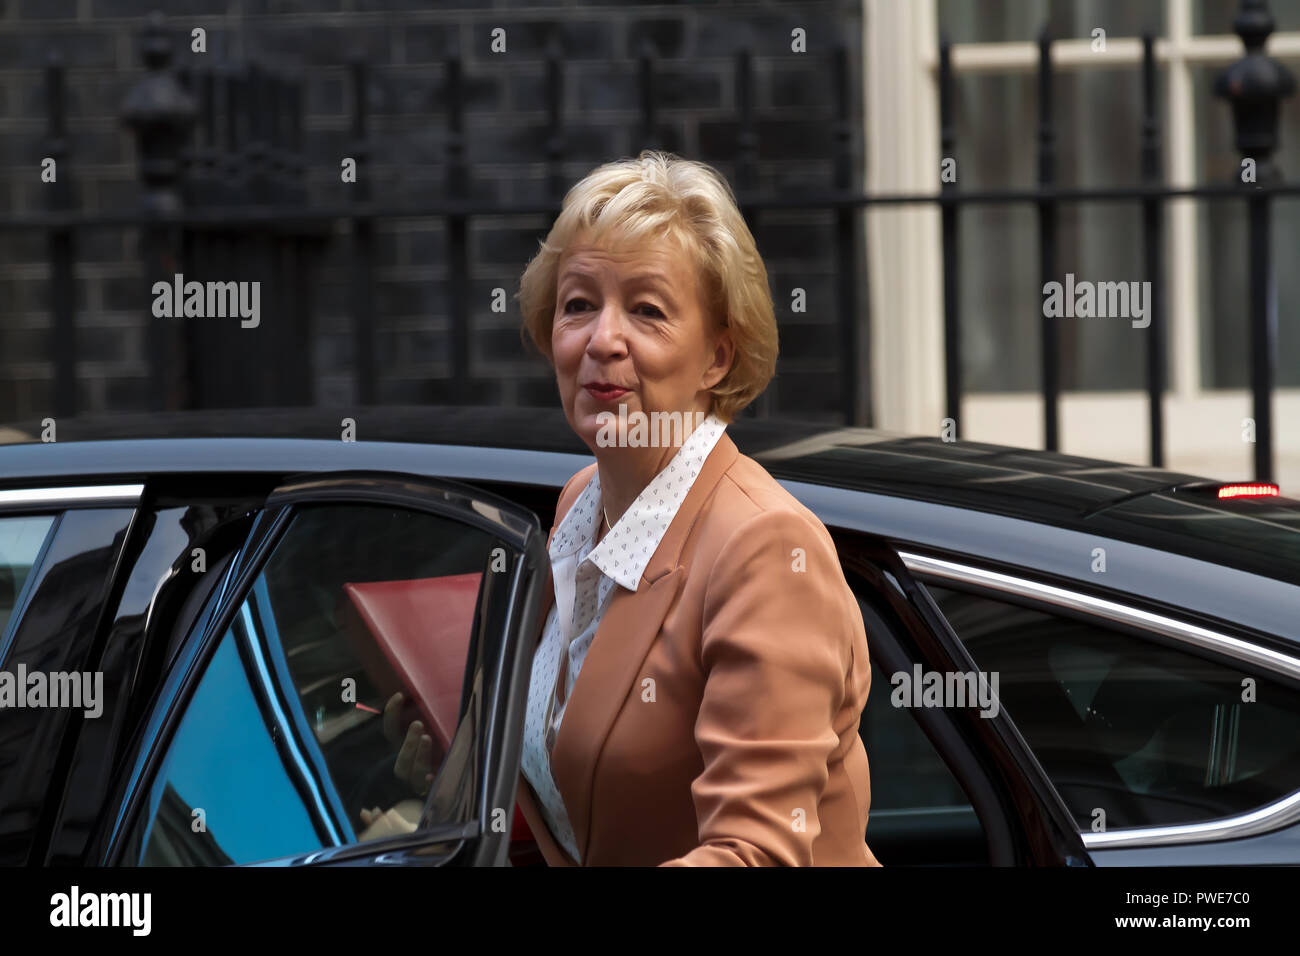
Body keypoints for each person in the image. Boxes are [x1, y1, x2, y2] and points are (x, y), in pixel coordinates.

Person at [507, 149, 882, 866]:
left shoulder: (764, 549)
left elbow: (758, 854)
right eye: (578, 304)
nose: (601, 340)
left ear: (716, 357)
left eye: (646, 311)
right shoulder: (582, 501)